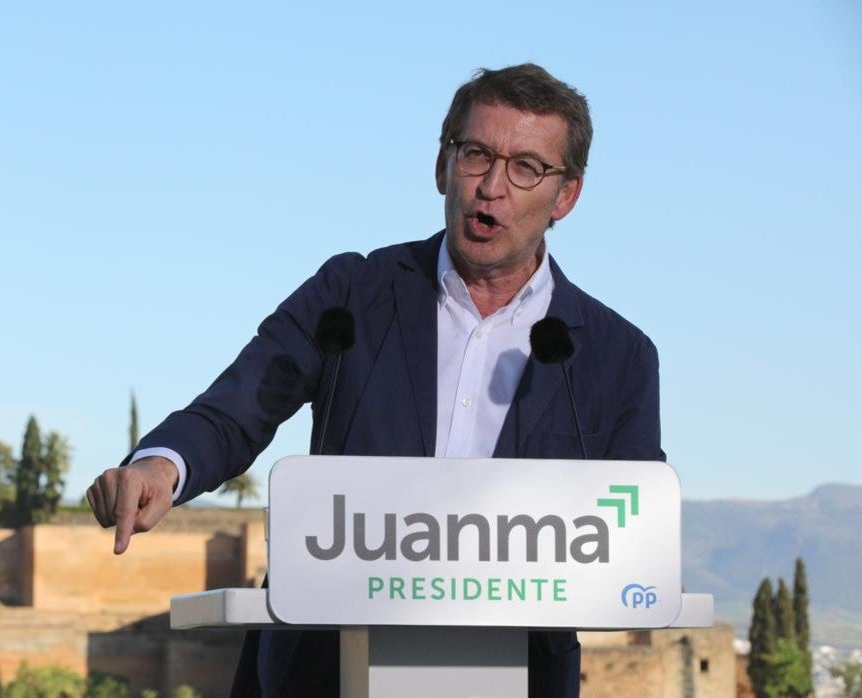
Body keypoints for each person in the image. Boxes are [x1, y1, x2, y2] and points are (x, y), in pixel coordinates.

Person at [86, 63, 663, 698]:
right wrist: (159, 468)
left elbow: (631, 535)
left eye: (526, 167)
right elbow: (238, 407)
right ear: (442, 166)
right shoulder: (351, 295)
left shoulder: (617, 356)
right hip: (320, 670)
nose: (492, 187)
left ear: (566, 196)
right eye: (476, 155)